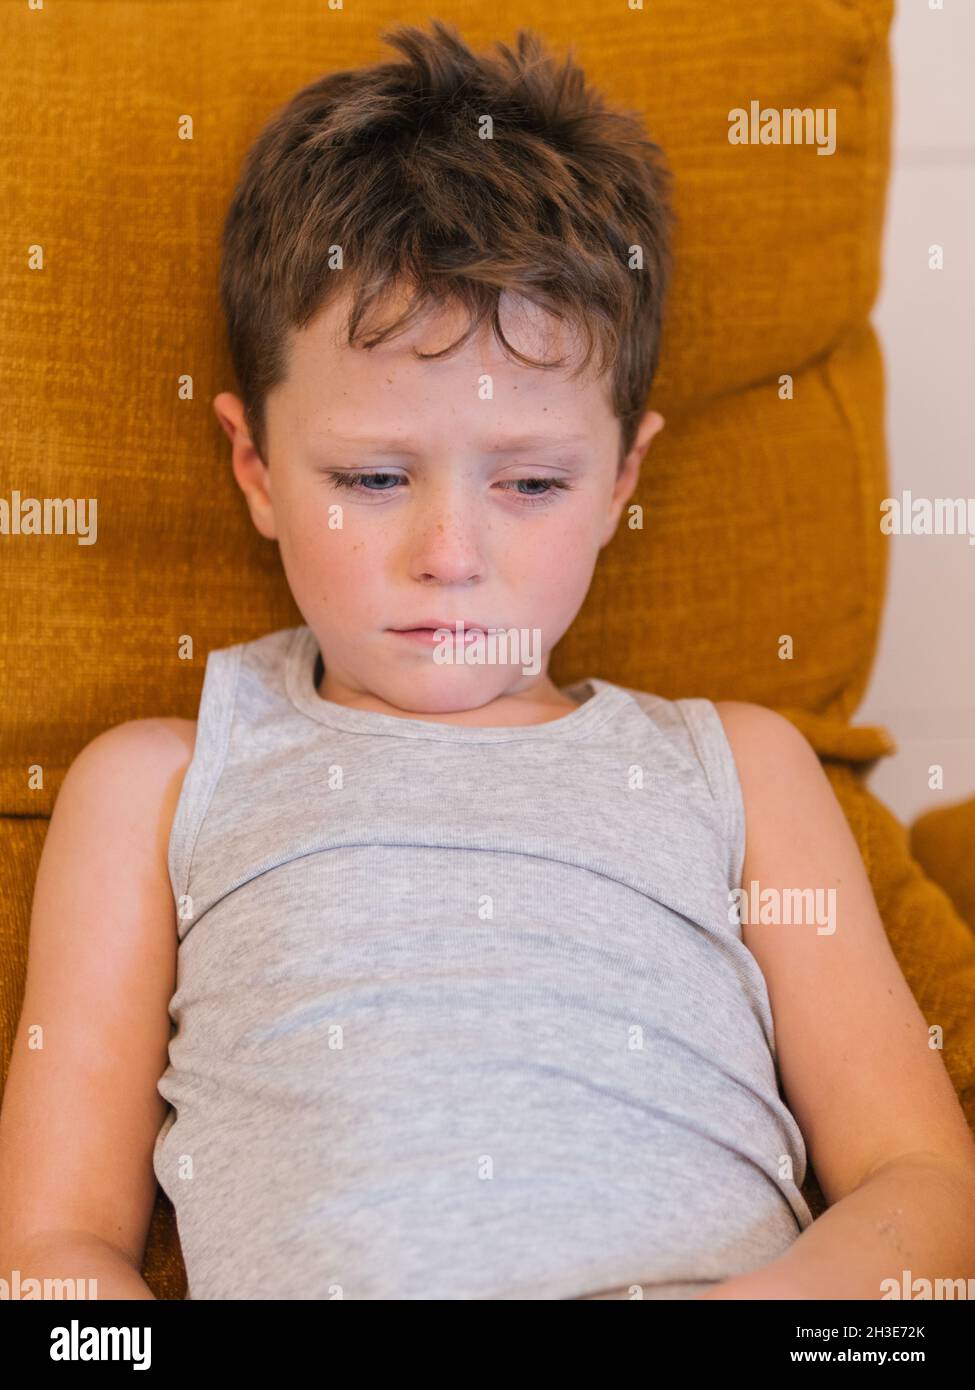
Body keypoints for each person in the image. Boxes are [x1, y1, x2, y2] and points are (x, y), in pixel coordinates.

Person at [2, 20, 973, 1302]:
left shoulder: (743, 769)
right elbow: (50, 1260)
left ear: (623, 478)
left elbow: (926, 1188)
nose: (449, 555)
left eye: (529, 480)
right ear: (257, 470)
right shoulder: (156, 787)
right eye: (372, 477)